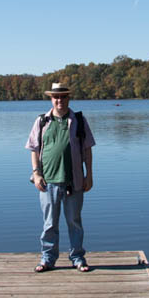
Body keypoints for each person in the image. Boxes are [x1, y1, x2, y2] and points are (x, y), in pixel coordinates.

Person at [25, 82, 95, 272]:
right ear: (51, 99)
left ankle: (78, 258)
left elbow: (87, 149)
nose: (59, 100)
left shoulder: (79, 120)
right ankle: (48, 259)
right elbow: (34, 148)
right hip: (48, 183)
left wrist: (89, 174)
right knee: (49, 224)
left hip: (75, 181)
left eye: (63, 96)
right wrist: (36, 173)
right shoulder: (42, 121)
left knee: (75, 222)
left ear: (68, 98)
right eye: (56, 97)